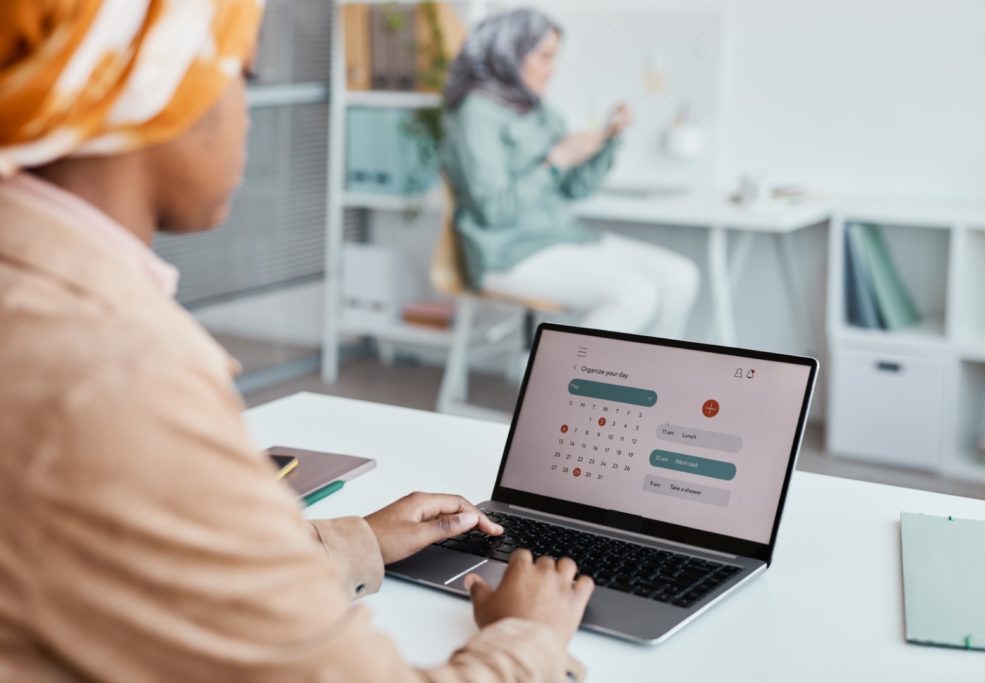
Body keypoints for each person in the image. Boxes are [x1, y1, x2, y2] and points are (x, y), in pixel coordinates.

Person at [0, 2, 593, 681]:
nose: (249, 116)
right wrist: (529, 636)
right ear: (152, 79)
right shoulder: (119, 374)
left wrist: (358, 541)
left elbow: (122, 560)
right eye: (243, 77)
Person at [440, 8, 700, 337]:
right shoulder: (475, 114)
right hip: (507, 254)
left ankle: (650, 381)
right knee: (634, 295)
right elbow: (494, 210)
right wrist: (556, 160)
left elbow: (575, 190)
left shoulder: (539, 110)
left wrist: (607, 142)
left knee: (679, 275)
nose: (553, 68)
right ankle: (568, 385)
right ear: (508, 52)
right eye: (544, 56)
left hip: (561, 237)